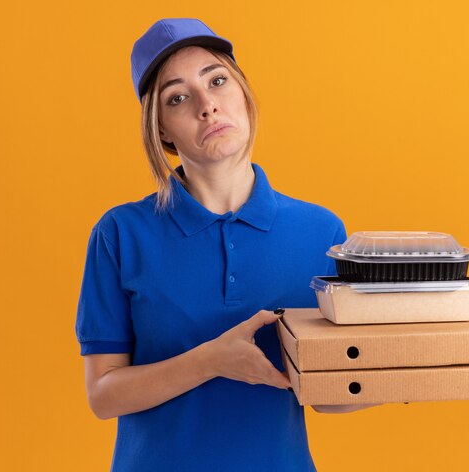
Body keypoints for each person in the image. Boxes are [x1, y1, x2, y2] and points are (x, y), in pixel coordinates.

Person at [75, 18, 378, 472]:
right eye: (178, 98)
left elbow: (328, 397)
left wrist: (406, 371)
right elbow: (103, 396)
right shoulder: (120, 233)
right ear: (161, 130)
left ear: (243, 93)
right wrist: (210, 361)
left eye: (217, 81)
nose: (207, 106)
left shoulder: (322, 233)